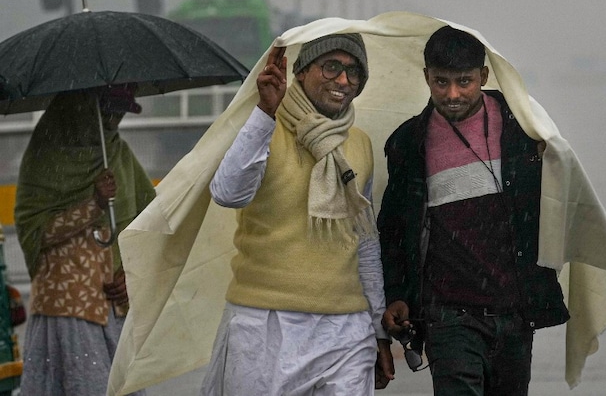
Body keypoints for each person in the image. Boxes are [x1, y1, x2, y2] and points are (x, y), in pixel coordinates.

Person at [378, 25, 569, 395]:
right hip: (448, 316)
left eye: (464, 81)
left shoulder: (524, 129)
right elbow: (394, 229)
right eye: (441, 82)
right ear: (426, 78)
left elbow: (563, 203)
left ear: (483, 76)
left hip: (514, 311)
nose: (452, 94)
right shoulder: (408, 143)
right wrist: (397, 293)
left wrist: (546, 164)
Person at [202, 33, 394, 395]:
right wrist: (264, 113)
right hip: (265, 326)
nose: (343, 80)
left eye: (353, 72)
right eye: (332, 67)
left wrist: (378, 331)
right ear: (302, 72)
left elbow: (366, 243)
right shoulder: (264, 128)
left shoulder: (360, 144)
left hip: (346, 330)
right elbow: (227, 193)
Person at [15, 86, 155, 396]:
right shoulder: (47, 156)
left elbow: (150, 221)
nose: (114, 122)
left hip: (115, 305)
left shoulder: (119, 154)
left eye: (120, 114)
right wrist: (94, 205)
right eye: (108, 113)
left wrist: (130, 272)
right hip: (69, 305)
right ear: (80, 111)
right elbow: (35, 230)